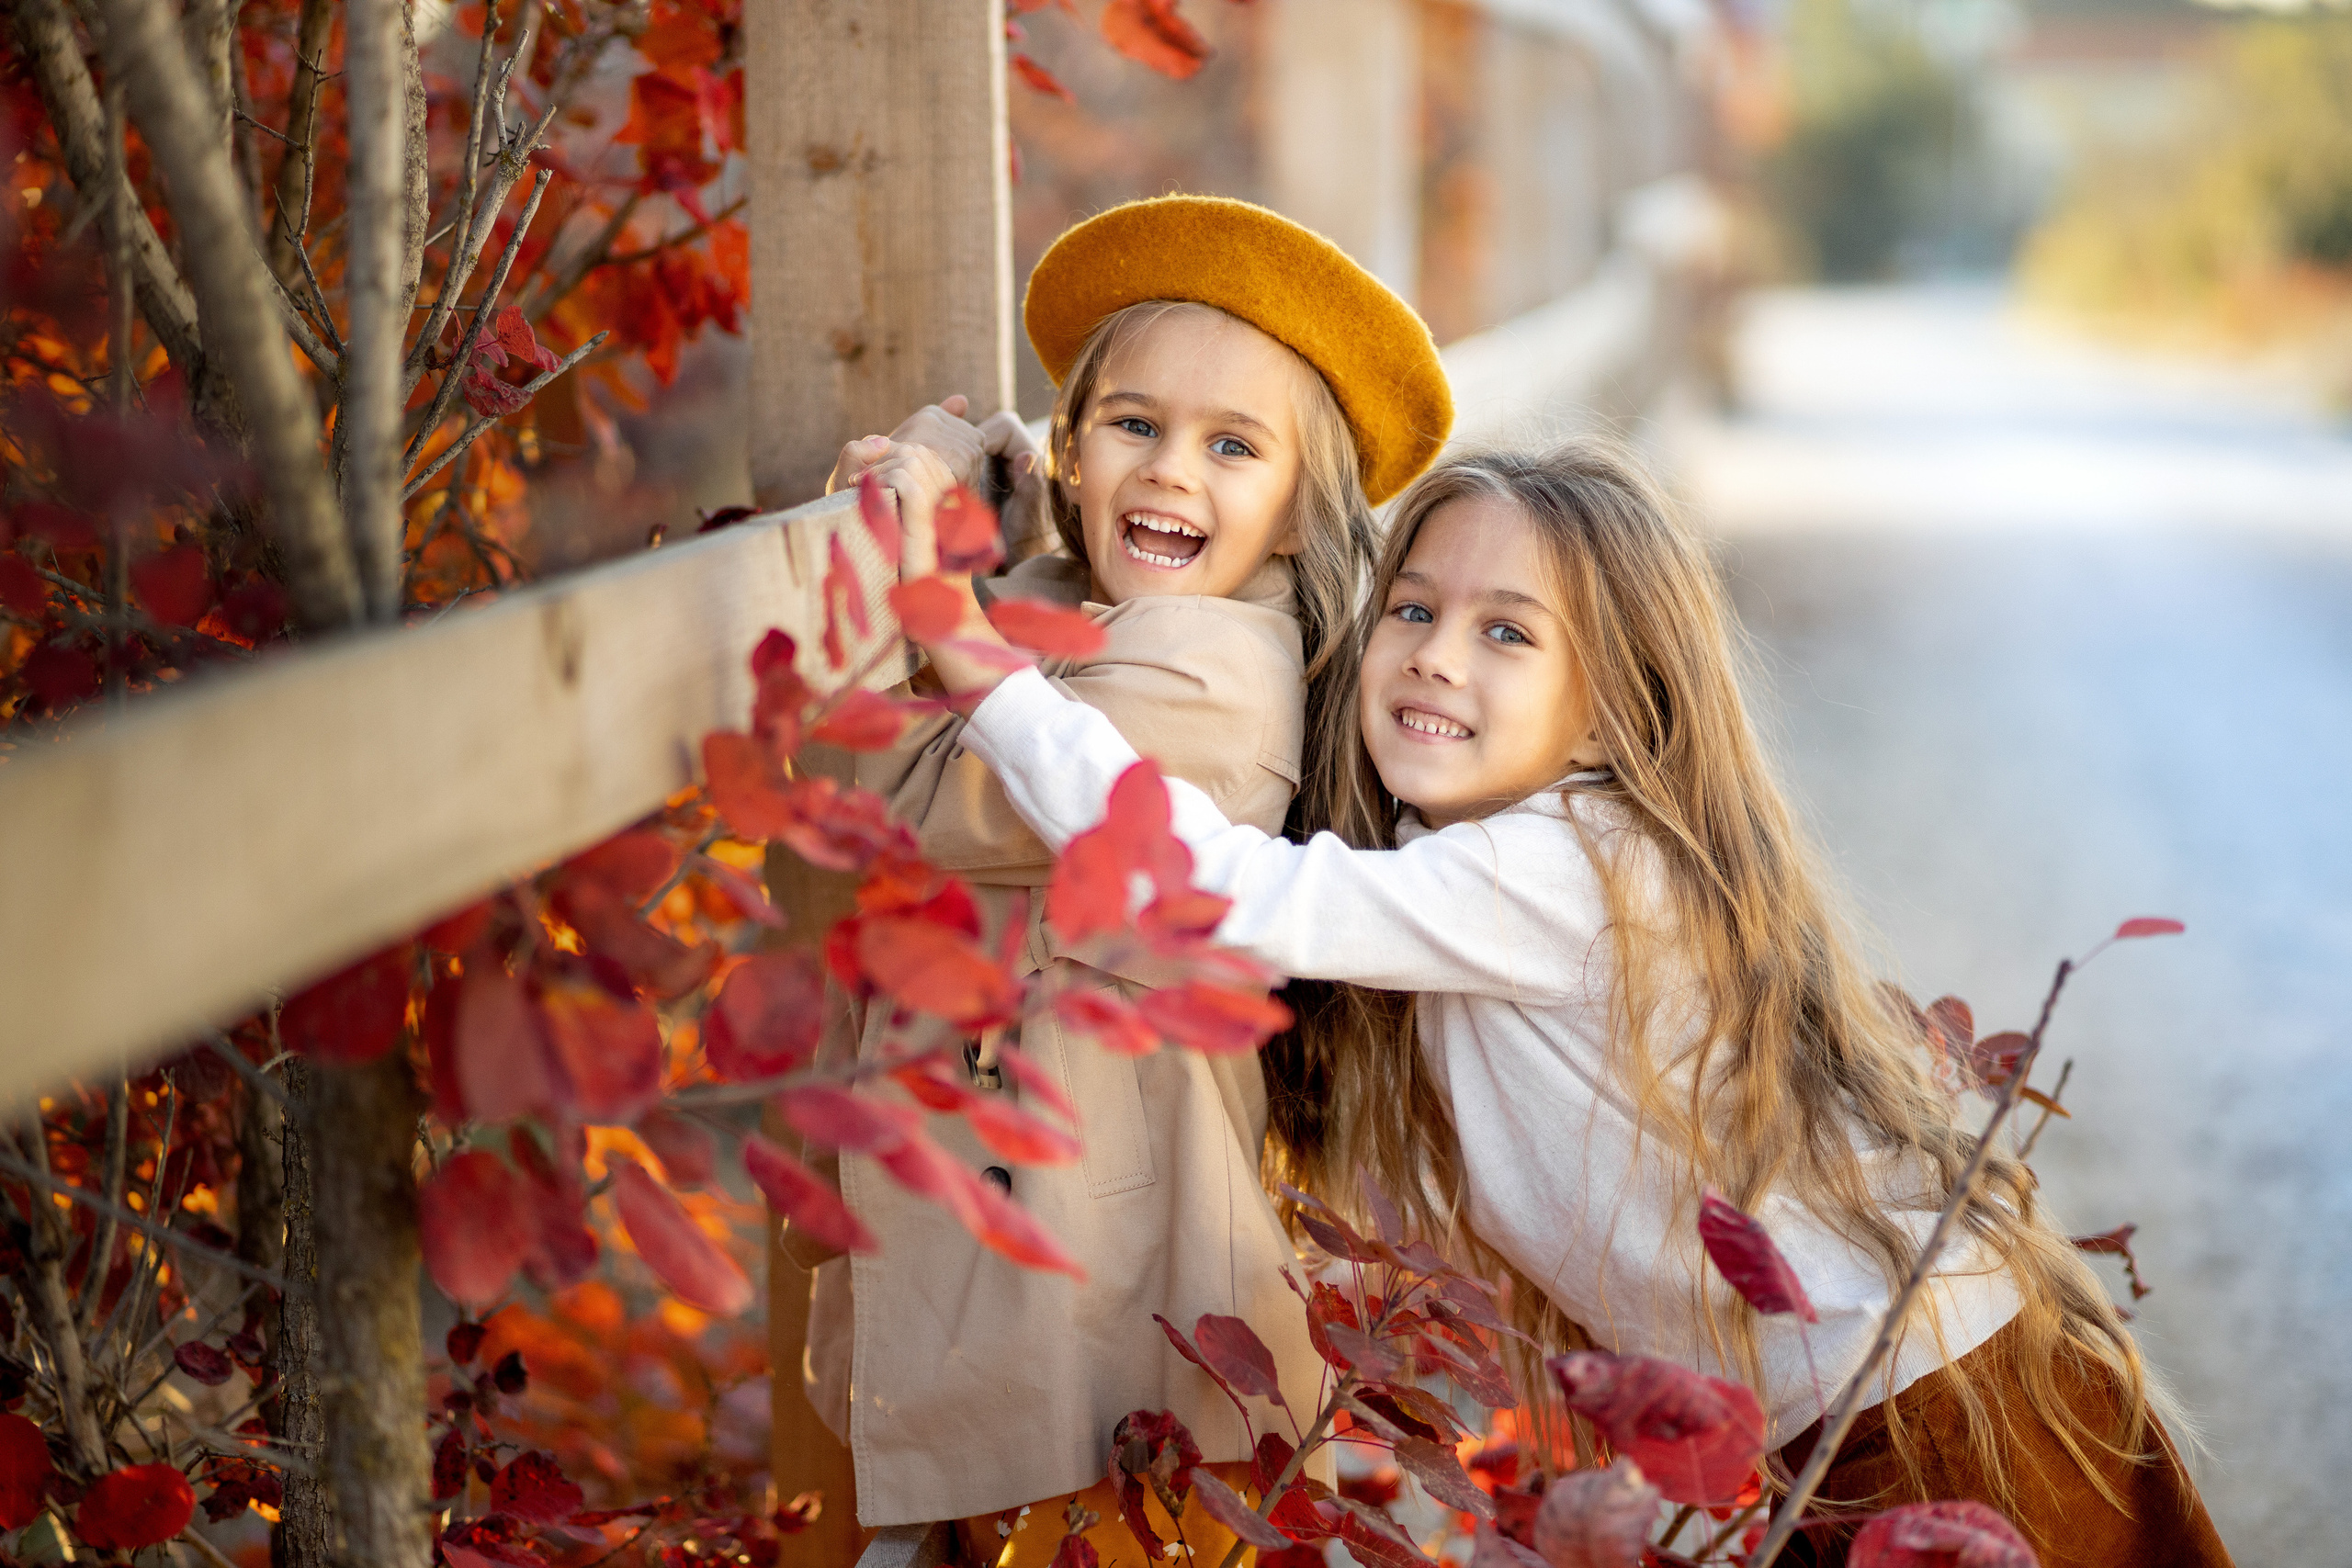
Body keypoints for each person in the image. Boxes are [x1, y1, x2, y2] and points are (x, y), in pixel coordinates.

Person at [887, 441, 2233, 1568]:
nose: (1435, 658)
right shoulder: (1476, 888)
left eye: (1507, 632)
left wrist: (986, 670)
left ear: (1608, 714)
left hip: (1939, 1403)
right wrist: (1060, 483)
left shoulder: (1566, 866)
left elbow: (1217, 886)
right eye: (1412, 611)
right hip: (1859, 1411)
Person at [780, 196, 1453, 1567]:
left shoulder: (1219, 682)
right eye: (1136, 426)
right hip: (984, 1205)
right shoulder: (1076, 603)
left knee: (1106, 1523)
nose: (1172, 474)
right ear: (1075, 448)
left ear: (1295, 508)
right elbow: (993, 647)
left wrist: (911, 524)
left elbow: (891, 798)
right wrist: (971, 488)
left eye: (1233, 447)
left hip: (1106, 1259)